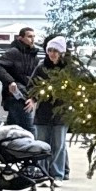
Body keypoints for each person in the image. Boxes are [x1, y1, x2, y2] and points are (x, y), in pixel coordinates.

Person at [31, 36, 71, 182]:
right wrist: (33, 98)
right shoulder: (41, 67)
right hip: (43, 112)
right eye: (50, 50)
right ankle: (42, 173)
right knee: (41, 144)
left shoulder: (68, 69)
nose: (52, 54)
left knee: (58, 145)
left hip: (61, 112)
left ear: (61, 52)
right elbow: (32, 86)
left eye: (55, 51)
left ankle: (57, 174)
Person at [0, 26, 41, 132]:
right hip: (16, 96)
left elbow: (37, 80)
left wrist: (34, 98)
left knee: (12, 129)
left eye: (33, 36)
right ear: (20, 38)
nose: (32, 39)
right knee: (29, 130)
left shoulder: (34, 57)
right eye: (29, 36)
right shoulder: (13, 53)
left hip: (27, 96)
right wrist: (10, 82)